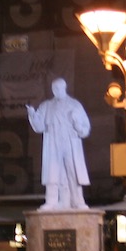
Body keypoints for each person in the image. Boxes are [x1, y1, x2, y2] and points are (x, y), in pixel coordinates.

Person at [25, 77, 92, 210]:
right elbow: (39, 127)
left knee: (73, 171)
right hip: (53, 141)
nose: (56, 91)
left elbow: (85, 128)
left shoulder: (74, 105)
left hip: (70, 141)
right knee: (53, 171)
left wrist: (78, 126)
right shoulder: (47, 105)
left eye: (59, 88)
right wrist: (32, 115)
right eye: (54, 88)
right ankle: (52, 201)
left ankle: (78, 201)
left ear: (64, 88)